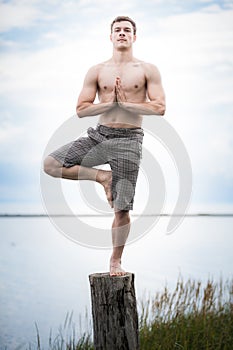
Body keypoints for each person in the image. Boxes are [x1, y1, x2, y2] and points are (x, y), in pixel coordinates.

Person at [44, 16, 166, 276]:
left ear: (134, 36)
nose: (122, 33)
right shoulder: (97, 71)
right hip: (99, 136)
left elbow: (160, 107)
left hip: (129, 141)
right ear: (110, 36)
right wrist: (108, 105)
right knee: (51, 164)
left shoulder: (148, 70)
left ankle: (115, 262)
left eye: (127, 30)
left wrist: (127, 105)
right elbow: (81, 109)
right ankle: (102, 177)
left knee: (122, 207)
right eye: (117, 30)